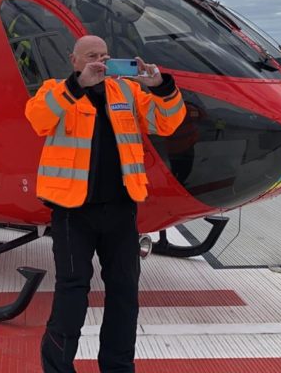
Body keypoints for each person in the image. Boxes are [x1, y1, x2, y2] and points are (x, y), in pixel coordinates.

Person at [24, 35, 186, 373]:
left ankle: (118, 366)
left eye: (105, 56)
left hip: (121, 210)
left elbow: (166, 122)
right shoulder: (56, 89)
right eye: (91, 56)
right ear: (74, 60)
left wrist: (161, 87)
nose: (100, 61)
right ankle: (57, 368)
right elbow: (38, 118)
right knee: (72, 290)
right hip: (72, 211)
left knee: (124, 290)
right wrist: (78, 85)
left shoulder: (127, 91)